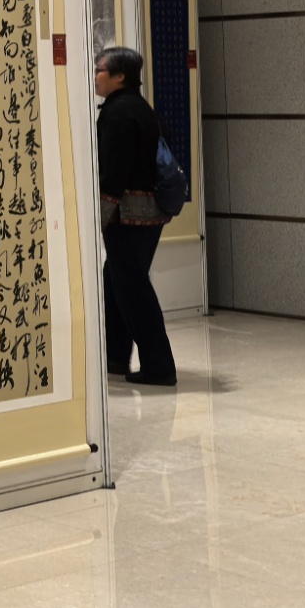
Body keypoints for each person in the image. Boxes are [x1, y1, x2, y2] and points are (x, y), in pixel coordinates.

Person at [94, 45, 176, 386]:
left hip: (127, 218)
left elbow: (113, 173)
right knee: (115, 282)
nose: (95, 76)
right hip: (149, 216)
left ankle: (159, 366)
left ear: (119, 76)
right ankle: (116, 357)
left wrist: (98, 217)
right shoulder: (139, 108)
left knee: (132, 290)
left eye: (99, 70)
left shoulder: (118, 114)